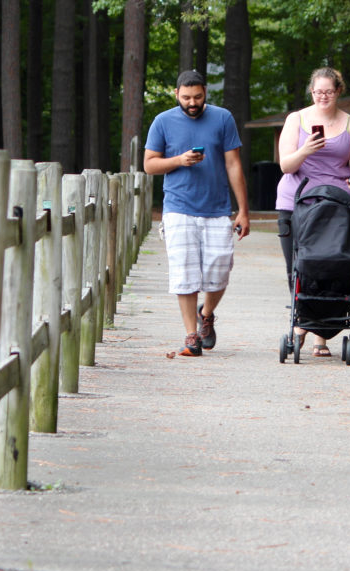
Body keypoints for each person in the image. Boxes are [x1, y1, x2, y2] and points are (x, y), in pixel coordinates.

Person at [143, 70, 251, 357]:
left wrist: (243, 210)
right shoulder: (162, 121)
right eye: (187, 97)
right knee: (185, 272)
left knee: (220, 271)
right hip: (178, 207)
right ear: (176, 93)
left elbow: (233, 165)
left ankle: (207, 314)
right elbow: (149, 165)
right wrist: (179, 160)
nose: (193, 102)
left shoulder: (222, 118)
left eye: (198, 97)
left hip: (217, 208)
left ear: (205, 93)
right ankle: (191, 335)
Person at [275, 67, 350, 357]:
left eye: (328, 91)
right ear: (311, 92)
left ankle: (319, 335)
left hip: (336, 206)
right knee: (300, 267)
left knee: (332, 265)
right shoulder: (296, 120)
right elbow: (286, 164)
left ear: (338, 91)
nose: (323, 96)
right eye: (318, 92)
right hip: (296, 202)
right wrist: (306, 150)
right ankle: (304, 325)